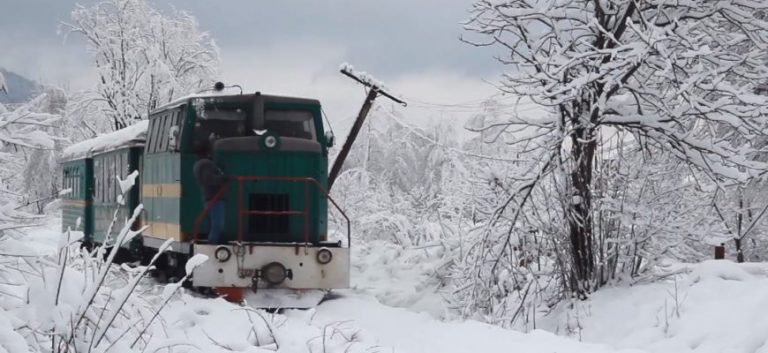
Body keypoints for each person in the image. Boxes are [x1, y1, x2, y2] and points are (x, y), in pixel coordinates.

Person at [193, 142, 229, 244]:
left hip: (211, 197)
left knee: (215, 223)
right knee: (217, 224)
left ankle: (215, 241)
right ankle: (213, 243)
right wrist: (224, 178)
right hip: (214, 197)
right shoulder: (205, 164)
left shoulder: (200, 164)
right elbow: (209, 179)